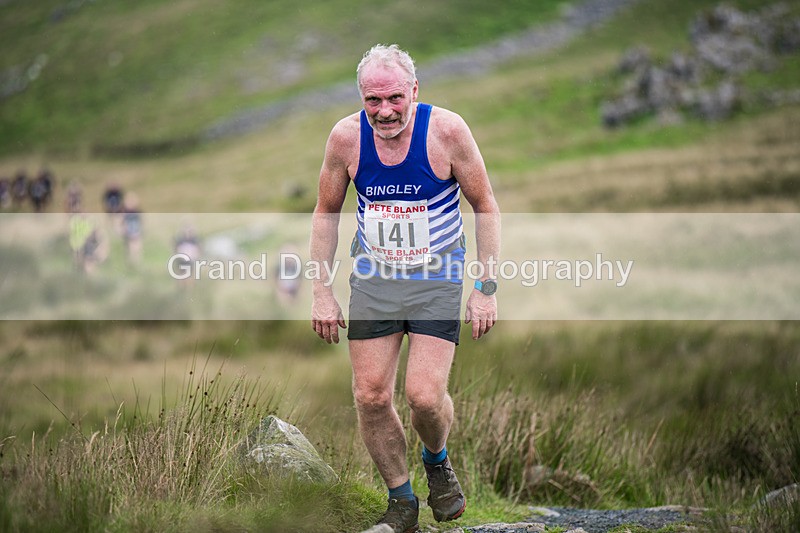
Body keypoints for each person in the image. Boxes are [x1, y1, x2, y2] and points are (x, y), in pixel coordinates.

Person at [310, 44, 500, 532]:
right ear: (361, 96)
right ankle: (401, 502)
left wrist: (485, 287)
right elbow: (326, 213)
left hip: (436, 277)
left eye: (395, 97)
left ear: (415, 90)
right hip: (375, 279)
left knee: (424, 397)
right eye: (373, 100)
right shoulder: (346, 138)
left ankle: (436, 459)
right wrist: (321, 291)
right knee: (371, 396)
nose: (385, 111)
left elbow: (485, 205)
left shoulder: (447, 132)